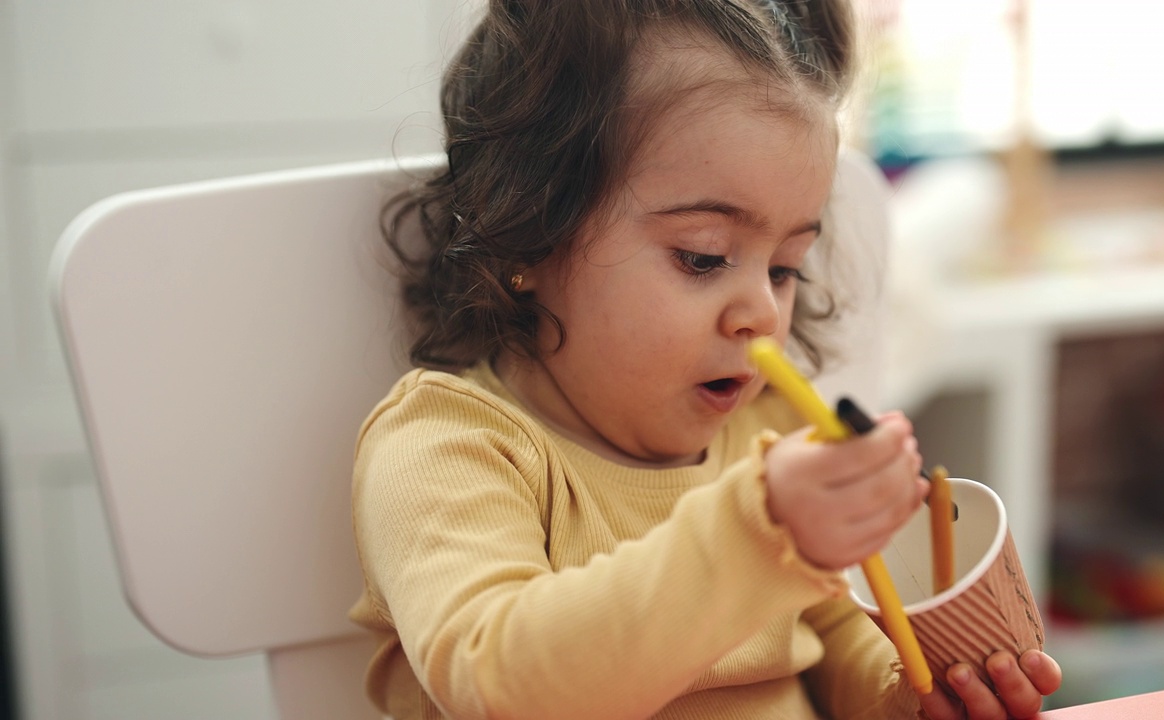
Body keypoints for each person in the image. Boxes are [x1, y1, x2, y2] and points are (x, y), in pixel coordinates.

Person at [349, 1, 1062, 718]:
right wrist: (761, 535)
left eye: (784, 268)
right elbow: (497, 684)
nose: (761, 312)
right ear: (530, 233)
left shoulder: (765, 427)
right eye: (704, 257)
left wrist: (909, 695)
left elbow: (827, 635)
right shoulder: (448, 447)